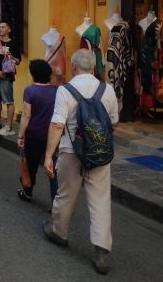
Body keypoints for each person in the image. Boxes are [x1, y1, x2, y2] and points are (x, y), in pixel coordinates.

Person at [43, 49, 118, 275]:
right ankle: (102, 251)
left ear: (74, 66)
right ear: (94, 67)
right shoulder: (108, 90)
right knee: (100, 200)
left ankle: (59, 232)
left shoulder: (65, 91)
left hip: (70, 150)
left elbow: (57, 124)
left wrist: (48, 154)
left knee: (66, 194)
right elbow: (113, 123)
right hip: (100, 153)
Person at [16, 59, 58, 203]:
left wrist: (20, 136)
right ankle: (55, 202)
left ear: (33, 74)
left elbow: (26, 116)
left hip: (33, 135)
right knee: (52, 169)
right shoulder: (56, 90)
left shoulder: (30, 91)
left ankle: (27, 191)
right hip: (52, 135)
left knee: (31, 165)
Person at [0, 21, 22, 135]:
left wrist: (11, 56)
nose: (0, 29)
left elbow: (18, 62)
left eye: (3, 27)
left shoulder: (14, 44)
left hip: (7, 76)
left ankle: (8, 127)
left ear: (9, 30)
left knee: (8, 101)